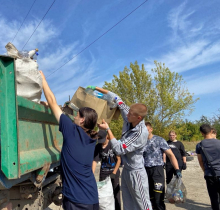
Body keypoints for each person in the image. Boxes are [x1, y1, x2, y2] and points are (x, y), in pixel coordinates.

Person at [40, 72, 99, 210]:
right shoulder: (91, 139)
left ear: (83, 120)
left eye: (77, 115)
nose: (74, 117)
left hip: (76, 201)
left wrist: (42, 79)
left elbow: (52, 101)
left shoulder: (72, 131)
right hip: (92, 197)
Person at [88, 85, 152, 210]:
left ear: (138, 118)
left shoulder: (140, 133)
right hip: (127, 170)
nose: (127, 114)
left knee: (142, 203)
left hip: (136, 172)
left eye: (130, 114)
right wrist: (95, 88)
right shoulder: (130, 114)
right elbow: (116, 97)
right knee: (128, 203)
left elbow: (118, 149)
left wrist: (108, 129)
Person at [143, 122, 181, 210]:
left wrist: (177, 169)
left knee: (158, 198)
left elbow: (171, 155)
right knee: (149, 198)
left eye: (147, 130)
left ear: (151, 129)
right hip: (145, 171)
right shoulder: (141, 141)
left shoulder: (159, 140)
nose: (145, 132)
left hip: (157, 170)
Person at [196, 124, 220, 210]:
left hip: (209, 174)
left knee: (214, 198)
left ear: (201, 133)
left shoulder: (199, 145)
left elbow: (200, 161)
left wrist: (205, 170)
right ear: (211, 131)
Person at [92, 130, 121, 210]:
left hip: (114, 172)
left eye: (103, 140)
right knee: (104, 194)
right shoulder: (98, 147)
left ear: (106, 137)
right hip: (103, 173)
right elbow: (95, 161)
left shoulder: (112, 144)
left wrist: (114, 172)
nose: (102, 142)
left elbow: (119, 160)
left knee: (116, 194)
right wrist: (91, 174)